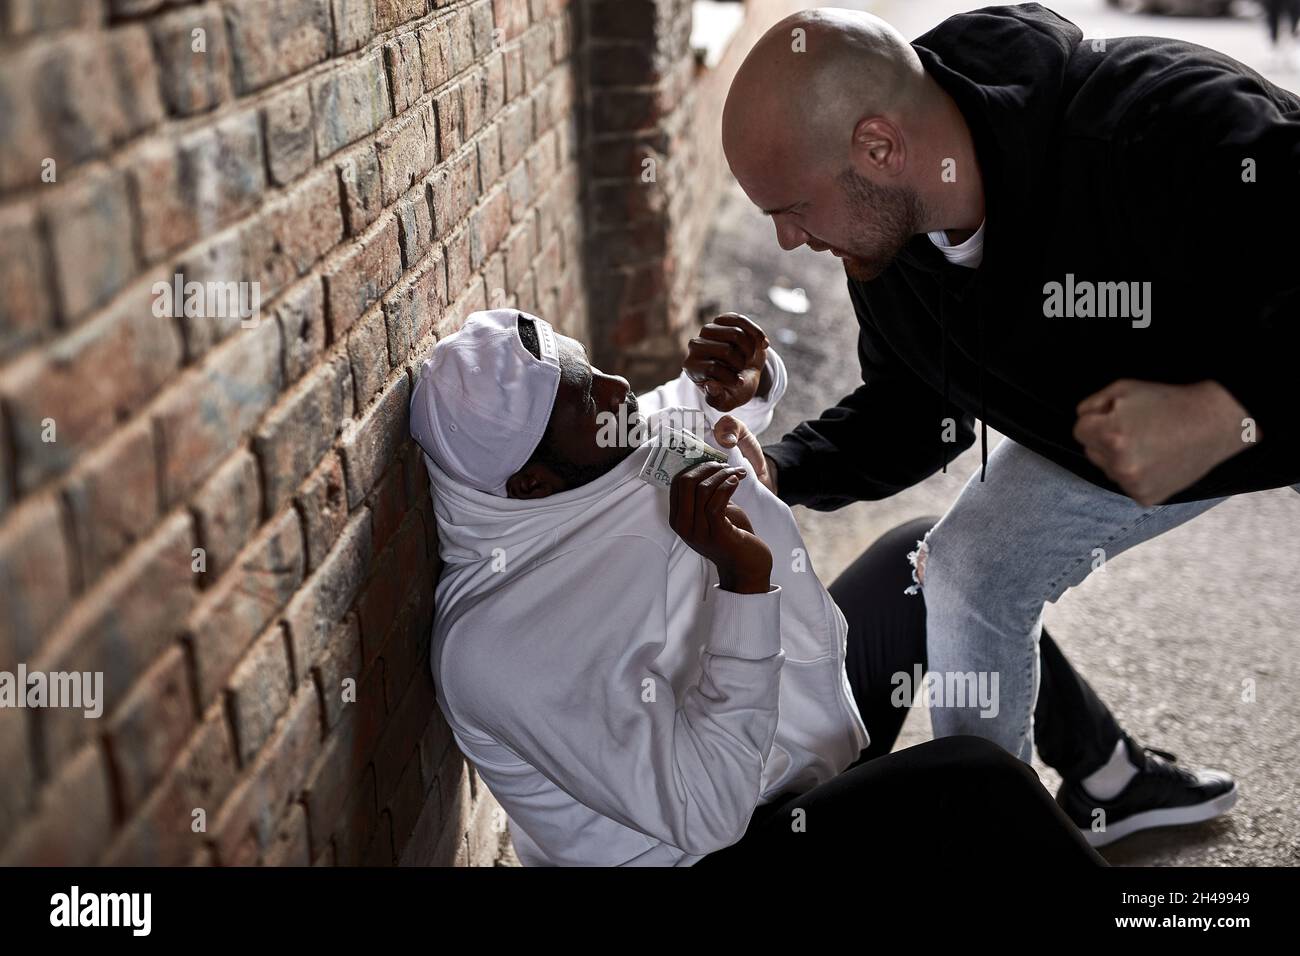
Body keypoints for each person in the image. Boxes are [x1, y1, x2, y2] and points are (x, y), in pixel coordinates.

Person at [720, 5, 1297, 807]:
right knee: (967, 568)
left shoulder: (1163, 123)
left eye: (791, 207)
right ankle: (992, 838)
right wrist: (779, 469)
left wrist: (1226, 407)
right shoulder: (886, 245)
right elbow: (918, 405)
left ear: (879, 148)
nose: (787, 239)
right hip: (1107, 440)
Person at [407, 306, 1230, 866]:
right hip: (722, 852)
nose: (620, 390)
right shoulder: (501, 647)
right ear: (530, 486)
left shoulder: (579, 466)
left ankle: (1106, 775)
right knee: (978, 787)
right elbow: (705, 812)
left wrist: (744, 383)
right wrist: (743, 592)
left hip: (795, 760)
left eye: (592, 368)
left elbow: (684, 418)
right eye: (590, 394)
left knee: (933, 566)